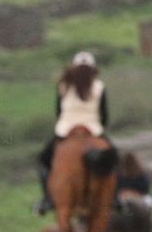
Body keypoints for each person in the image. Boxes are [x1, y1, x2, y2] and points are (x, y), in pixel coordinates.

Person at [34, 50, 111, 215]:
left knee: (42, 160)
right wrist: (100, 127)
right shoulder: (99, 86)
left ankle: (47, 199)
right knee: (112, 159)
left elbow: (58, 111)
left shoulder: (63, 85)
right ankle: (116, 198)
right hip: (93, 128)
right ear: (93, 69)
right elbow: (104, 114)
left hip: (66, 129)